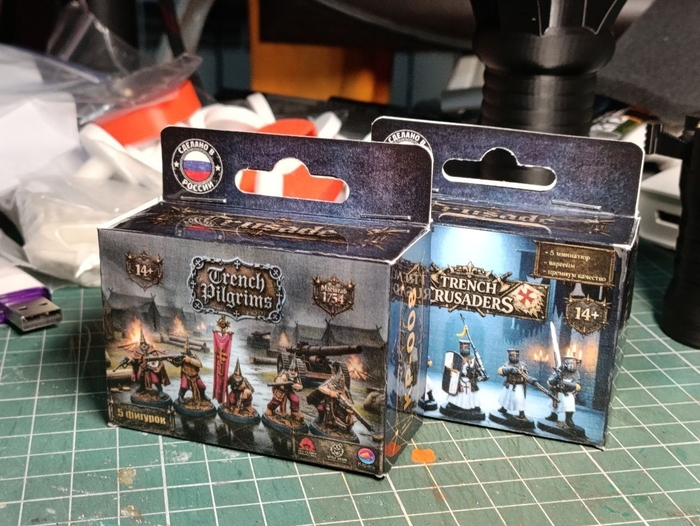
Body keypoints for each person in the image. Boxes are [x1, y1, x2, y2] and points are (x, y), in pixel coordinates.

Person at [308, 362, 355, 433]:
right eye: (341, 378)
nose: (342, 379)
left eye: (343, 378)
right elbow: (321, 388)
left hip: (339, 407)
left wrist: (350, 413)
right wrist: (330, 392)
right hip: (328, 404)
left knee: (343, 417)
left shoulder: (345, 389)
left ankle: (342, 427)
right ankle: (322, 420)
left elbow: (348, 401)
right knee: (322, 409)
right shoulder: (330, 383)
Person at [545, 355, 582, 427]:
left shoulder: (576, 373)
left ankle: (568, 419)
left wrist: (565, 383)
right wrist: (556, 377)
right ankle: (553, 415)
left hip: (567, 393)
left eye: (573, 363)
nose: (571, 365)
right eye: (570, 362)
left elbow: (578, 386)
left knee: (569, 406)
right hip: (557, 392)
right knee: (554, 405)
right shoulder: (559, 370)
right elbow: (549, 382)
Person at [265, 357, 304, 422]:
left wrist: (296, 386)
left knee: (295, 399)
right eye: (291, 370)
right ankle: (270, 408)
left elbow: (300, 387)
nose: (293, 372)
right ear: (289, 369)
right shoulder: (284, 373)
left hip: (289, 390)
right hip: (279, 389)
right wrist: (281, 383)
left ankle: (294, 412)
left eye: (294, 370)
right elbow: (277, 380)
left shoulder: (296, 377)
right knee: (278, 398)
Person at [496, 349, 529, 419]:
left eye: (516, 356)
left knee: (519, 399)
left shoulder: (522, 365)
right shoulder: (507, 364)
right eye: (512, 356)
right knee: (506, 397)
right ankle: (504, 408)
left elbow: (526, 375)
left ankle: (522, 413)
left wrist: (520, 373)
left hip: (518, 385)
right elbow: (500, 371)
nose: (514, 357)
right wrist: (509, 369)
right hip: (509, 384)